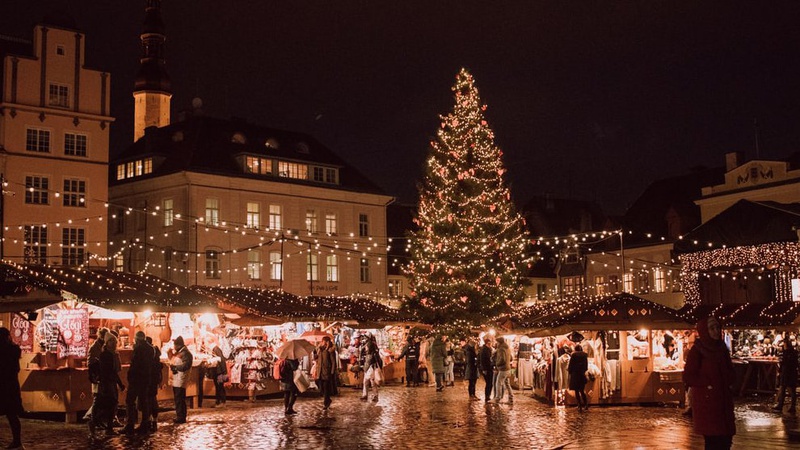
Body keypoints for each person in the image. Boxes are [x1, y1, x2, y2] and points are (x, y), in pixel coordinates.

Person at [683, 317, 736, 450]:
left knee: (726, 439)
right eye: (712, 328)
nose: (716, 331)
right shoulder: (697, 351)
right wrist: (707, 383)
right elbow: (688, 376)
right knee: (713, 440)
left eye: (717, 327)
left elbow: (729, 370)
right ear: (705, 331)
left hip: (723, 400)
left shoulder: (722, 349)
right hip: (708, 403)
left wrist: (730, 380)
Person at [91, 336, 125, 436]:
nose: (114, 343)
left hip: (109, 382)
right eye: (112, 341)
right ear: (107, 343)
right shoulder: (106, 355)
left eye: (115, 341)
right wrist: (120, 383)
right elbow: (111, 371)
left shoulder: (112, 354)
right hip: (107, 383)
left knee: (109, 404)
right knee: (110, 404)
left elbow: (114, 370)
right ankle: (105, 427)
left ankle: (98, 423)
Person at [123, 331, 153, 434]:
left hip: (136, 379)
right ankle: (145, 423)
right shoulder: (150, 349)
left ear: (137, 339)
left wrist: (130, 376)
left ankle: (130, 424)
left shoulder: (139, 348)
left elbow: (135, 364)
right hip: (146, 379)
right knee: (143, 401)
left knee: (130, 401)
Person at [0, 327, 23, 449]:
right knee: (12, 415)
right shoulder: (14, 350)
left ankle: (17, 441)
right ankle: (17, 440)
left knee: (11, 415)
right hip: (11, 385)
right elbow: (17, 368)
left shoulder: (6, 350)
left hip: (4, 385)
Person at [83, 327, 109, 422]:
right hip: (97, 375)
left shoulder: (104, 346)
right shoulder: (94, 347)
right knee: (97, 398)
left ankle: (96, 418)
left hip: (102, 375)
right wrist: (92, 375)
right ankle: (91, 417)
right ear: (101, 336)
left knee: (102, 398)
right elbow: (91, 362)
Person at [169, 336, 193, 424]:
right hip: (177, 379)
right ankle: (180, 415)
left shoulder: (186, 353)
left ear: (178, 345)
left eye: (174, 344)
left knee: (179, 398)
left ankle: (181, 417)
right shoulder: (180, 352)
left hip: (181, 379)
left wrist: (176, 367)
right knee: (178, 398)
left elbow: (186, 366)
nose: (174, 346)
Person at [773, 338, 798, 414]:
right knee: (784, 388)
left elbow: (786, 362)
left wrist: (780, 369)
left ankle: (789, 406)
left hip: (788, 372)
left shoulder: (789, 353)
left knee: (789, 389)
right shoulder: (790, 352)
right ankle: (782, 405)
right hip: (788, 372)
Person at [145, 336, 162, 432]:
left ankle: (150, 419)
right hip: (154, 379)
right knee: (153, 398)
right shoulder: (156, 353)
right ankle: (154, 419)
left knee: (149, 399)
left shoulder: (149, 353)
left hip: (150, 379)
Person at [315, 336, 338, 409]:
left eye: (324, 341)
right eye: (322, 341)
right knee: (320, 386)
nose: (322, 343)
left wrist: (332, 372)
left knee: (326, 388)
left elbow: (333, 362)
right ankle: (328, 400)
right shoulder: (319, 350)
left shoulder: (330, 350)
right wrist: (317, 351)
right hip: (320, 371)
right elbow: (315, 358)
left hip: (327, 371)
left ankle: (326, 402)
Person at [361, 336, 383, 402]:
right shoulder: (369, 354)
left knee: (371, 383)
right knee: (367, 382)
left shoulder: (372, 355)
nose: (366, 348)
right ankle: (367, 395)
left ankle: (373, 396)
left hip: (371, 369)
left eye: (367, 347)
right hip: (369, 369)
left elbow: (373, 361)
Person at [567, 344, 589, 411]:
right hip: (582, 374)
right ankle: (585, 404)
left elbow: (571, 365)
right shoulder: (585, 355)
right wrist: (583, 371)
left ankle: (579, 405)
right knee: (582, 390)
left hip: (575, 374)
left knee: (576, 390)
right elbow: (586, 366)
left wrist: (570, 371)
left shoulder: (574, 355)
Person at [491, 336, 512, 403]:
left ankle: (497, 398)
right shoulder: (507, 348)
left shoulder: (501, 349)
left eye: (497, 342)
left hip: (503, 369)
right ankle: (511, 398)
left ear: (499, 342)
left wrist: (497, 364)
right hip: (508, 368)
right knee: (507, 384)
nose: (496, 343)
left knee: (498, 383)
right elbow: (511, 358)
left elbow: (502, 359)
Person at [211, 340, 228, 408]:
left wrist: (224, 371)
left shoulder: (216, 349)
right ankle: (218, 402)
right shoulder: (215, 349)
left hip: (219, 372)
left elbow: (221, 360)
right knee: (218, 386)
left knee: (220, 386)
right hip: (218, 371)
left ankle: (222, 402)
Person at [479, 337, 494, 402]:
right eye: (490, 342)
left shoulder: (488, 349)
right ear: (488, 343)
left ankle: (488, 396)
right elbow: (483, 360)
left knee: (490, 383)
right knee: (489, 383)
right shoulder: (484, 350)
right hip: (487, 369)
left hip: (489, 368)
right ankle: (487, 396)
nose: (491, 344)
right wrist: (484, 369)